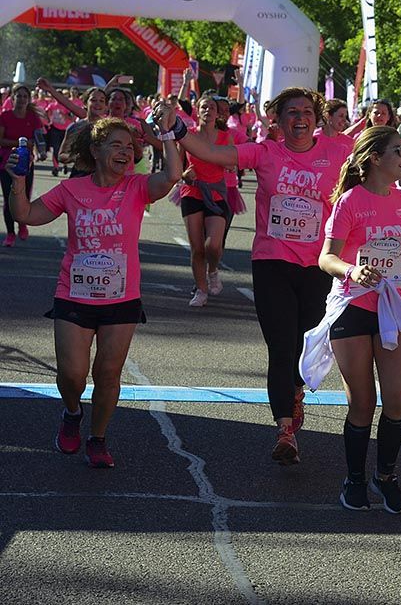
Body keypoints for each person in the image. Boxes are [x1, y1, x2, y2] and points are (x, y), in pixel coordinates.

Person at [176, 88, 350, 464]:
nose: (300, 118)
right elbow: (211, 153)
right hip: (272, 262)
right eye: (292, 112)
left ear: (317, 118)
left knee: (305, 345)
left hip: (318, 266)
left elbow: (379, 157)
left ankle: (296, 389)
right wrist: (176, 128)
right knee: (281, 346)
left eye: (307, 111)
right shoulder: (265, 152)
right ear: (278, 120)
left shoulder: (338, 151)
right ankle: (285, 430)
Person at [5, 112, 181, 467]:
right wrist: (18, 182)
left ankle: (98, 438)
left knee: (107, 374)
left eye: (129, 147)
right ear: (96, 150)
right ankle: (72, 412)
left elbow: (172, 176)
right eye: (116, 145)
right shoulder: (72, 190)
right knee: (72, 374)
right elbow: (26, 215)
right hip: (74, 294)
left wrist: (167, 134)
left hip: (121, 297)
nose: (125, 152)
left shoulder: (137, 187)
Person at [317, 126, 401, 514]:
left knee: (397, 401)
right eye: (398, 151)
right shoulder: (350, 201)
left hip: (392, 309)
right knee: (362, 403)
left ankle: (385, 476)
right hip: (352, 306)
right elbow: (326, 257)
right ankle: (355, 479)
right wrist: (351, 271)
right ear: (375, 158)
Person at [178, 96, 233, 307]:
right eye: (204, 107)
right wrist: (185, 175)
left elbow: (233, 163)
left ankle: (213, 270)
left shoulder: (225, 137)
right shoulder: (187, 135)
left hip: (216, 193)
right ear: (197, 110)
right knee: (197, 248)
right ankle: (201, 291)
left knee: (213, 246)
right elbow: (177, 166)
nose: (208, 110)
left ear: (217, 113)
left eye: (212, 107)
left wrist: (229, 164)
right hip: (192, 192)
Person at [0, 84, 46, 246]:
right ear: (12, 98)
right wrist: (21, 143)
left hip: (26, 163)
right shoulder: (5, 116)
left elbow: (39, 139)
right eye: (18, 96)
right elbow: (1, 140)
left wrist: (41, 152)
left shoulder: (33, 118)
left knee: (23, 197)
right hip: (6, 163)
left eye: (25, 96)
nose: (21, 99)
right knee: (8, 197)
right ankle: (10, 233)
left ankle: (22, 223)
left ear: (29, 99)